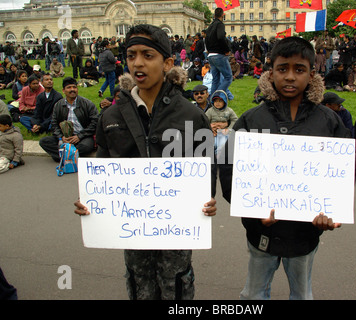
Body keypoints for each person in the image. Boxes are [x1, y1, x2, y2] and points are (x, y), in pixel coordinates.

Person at [73, 24, 216, 300]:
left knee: (176, 286)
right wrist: (91, 200)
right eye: (131, 55)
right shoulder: (111, 117)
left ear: (168, 62)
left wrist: (207, 201)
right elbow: (102, 171)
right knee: (140, 287)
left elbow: (206, 173)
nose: (138, 63)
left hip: (176, 230)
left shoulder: (192, 116)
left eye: (148, 55)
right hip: (131, 231)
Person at [219, 37, 349, 300]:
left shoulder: (328, 122)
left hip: (304, 236)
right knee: (253, 294)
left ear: (312, 74)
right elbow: (228, 167)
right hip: (262, 233)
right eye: (282, 69)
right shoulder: (252, 119)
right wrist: (253, 210)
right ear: (271, 71)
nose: (290, 77)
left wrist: (332, 212)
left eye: (299, 70)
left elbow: (340, 174)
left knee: (302, 295)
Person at [39, 77, 98, 162]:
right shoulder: (58, 105)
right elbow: (54, 124)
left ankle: (62, 156)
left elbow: (95, 122)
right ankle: (71, 156)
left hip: (82, 137)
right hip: (65, 138)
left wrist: (79, 136)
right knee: (44, 141)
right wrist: (61, 137)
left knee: (86, 147)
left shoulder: (87, 104)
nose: (72, 90)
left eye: (74, 87)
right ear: (63, 90)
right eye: (69, 88)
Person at [205, 7, 232, 96]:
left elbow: (206, 39)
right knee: (228, 77)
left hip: (211, 55)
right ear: (222, 15)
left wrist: (208, 50)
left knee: (215, 80)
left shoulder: (210, 26)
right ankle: (216, 96)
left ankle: (212, 99)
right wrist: (226, 50)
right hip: (219, 54)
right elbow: (220, 37)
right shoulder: (220, 24)